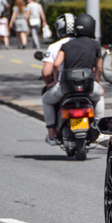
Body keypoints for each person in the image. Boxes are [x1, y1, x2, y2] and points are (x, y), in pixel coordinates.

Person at [41, 13, 77, 144]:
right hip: (85, 85)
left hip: (63, 86)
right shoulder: (84, 44)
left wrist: (51, 82)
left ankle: (52, 134)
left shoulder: (54, 46)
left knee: (46, 99)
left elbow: (46, 72)